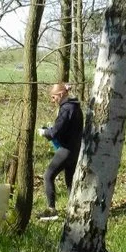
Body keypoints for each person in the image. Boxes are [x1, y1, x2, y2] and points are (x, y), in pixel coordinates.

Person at [37, 83, 84, 220]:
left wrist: (44, 132)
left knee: (48, 176)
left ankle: (52, 210)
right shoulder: (75, 107)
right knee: (70, 182)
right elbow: (64, 128)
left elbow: (55, 132)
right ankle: (74, 210)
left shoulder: (66, 109)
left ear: (61, 94)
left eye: (53, 97)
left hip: (66, 150)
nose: (52, 100)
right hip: (75, 149)